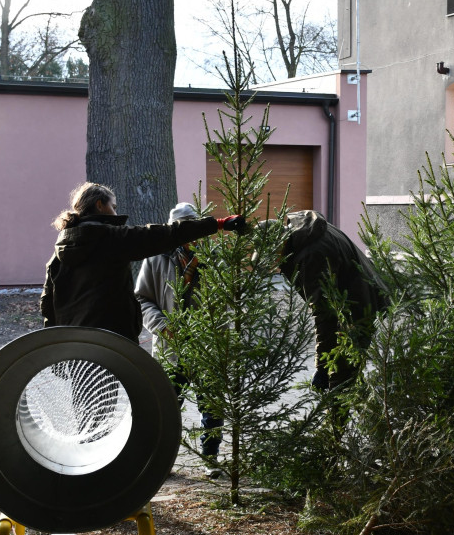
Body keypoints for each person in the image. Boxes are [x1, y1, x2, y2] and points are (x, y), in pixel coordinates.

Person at [40, 182, 246, 342]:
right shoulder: (110, 238)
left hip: (74, 340)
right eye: (113, 206)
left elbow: (47, 302)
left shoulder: (60, 252)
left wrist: (55, 343)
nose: (116, 212)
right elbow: (165, 234)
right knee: (107, 393)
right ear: (100, 205)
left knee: (87, 395)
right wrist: (218, 224)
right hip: (108, 338)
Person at [134, 202, 225, 476]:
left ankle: (211, 460)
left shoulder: (215, 257)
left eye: (192, 227)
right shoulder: (156, 258)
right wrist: (162, 325)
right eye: (181, 229)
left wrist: (217, 328)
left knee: (212, 407)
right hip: (170, 346)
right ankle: (161, 463)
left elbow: (229, 299)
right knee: (167, 408)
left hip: (208, 345)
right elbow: (142, 298)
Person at [268, 210, 389, 391]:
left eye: (272, 254)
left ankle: (340, 416)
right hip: (357, 295)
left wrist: (322, 367)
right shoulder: (305, 231)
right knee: (345, 372)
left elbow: (324, 313)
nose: (273, 262)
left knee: (341, 375)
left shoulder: (311, 255)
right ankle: (361, 404)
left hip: (359, 307)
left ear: (280, 243)